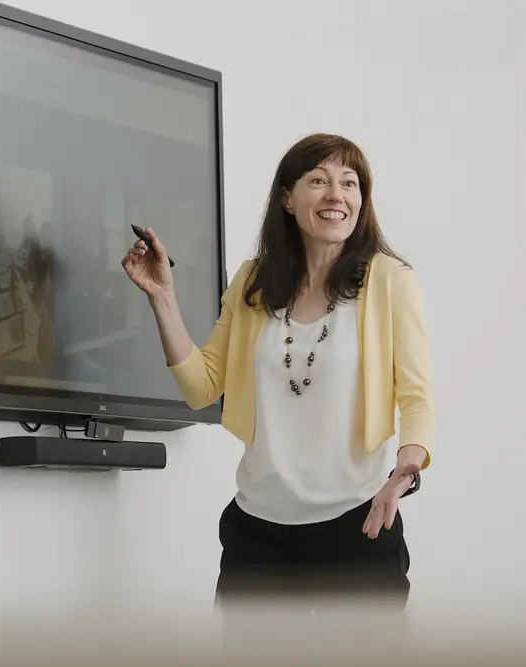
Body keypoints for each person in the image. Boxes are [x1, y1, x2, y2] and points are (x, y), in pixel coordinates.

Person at [121, 133, 435, 612]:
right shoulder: (253, 282)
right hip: (257, 540)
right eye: (319, 180)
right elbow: (201, 388)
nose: (337, 195)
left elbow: (415, 396)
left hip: (356, 529)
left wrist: (405, 470)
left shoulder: (389, 280)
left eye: (350, 183)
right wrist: (162, 298)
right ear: (288, 199)